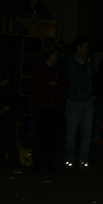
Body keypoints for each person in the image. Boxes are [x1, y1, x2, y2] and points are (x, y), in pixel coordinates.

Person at [32, 43, 67, 174]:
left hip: (54, 108)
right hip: (42, 108)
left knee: (52, 137)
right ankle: (37, 164)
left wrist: (54, 85)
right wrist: (52, 86)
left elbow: (64, 84)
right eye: (55, 55)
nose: (57, 57)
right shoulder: (40, 69)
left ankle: (49, 163)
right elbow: (41, 87)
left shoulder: (57, 70)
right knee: (41, 136)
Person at [64, 38, 95, 168]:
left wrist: (93, 94)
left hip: (87, 101)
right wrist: (67, 96)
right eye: (85, 47)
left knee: (87, 133)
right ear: (78, 48)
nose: (87, 50)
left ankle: (83, 159)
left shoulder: (89, 62)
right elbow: (65, 79)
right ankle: (69, 159)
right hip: (74, 101)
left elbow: (94, 78)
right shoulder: (69, 62)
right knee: (71, 133)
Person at [0, 68, 23, 174]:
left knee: (11, 141)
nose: (7, 79)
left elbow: (17, 101)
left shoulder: (11, 89)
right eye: (5, 77)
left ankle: (15, 164)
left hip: (9, 118)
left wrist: (10, 107)